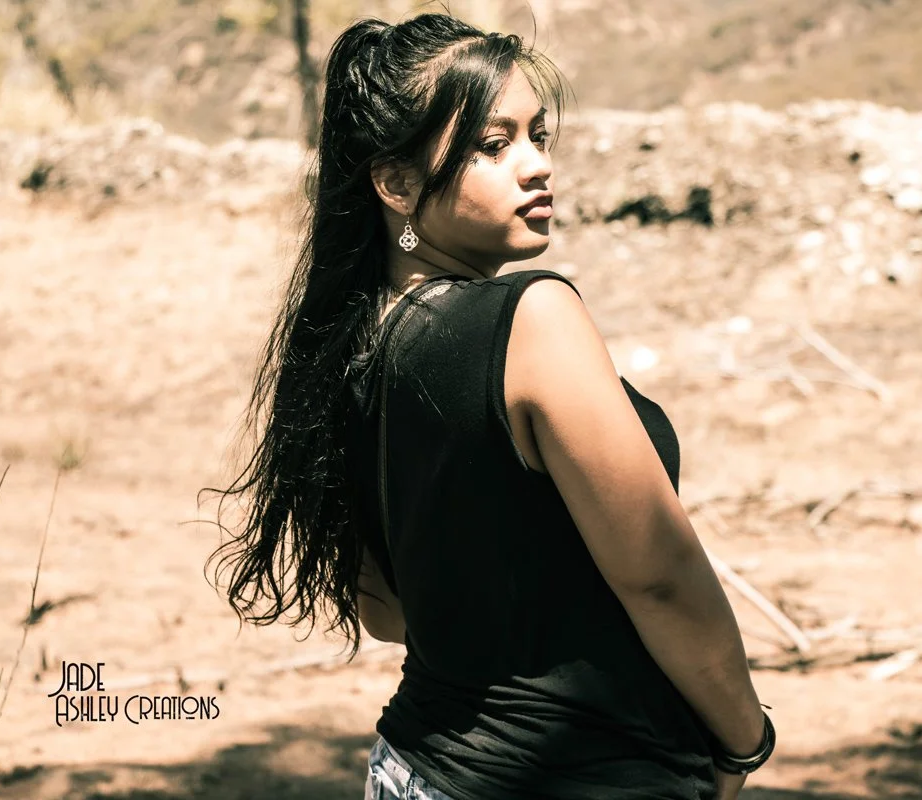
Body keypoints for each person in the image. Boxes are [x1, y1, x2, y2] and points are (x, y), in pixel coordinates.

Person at [204, 12, 774, 800]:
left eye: (538, 135)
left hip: (412, 771)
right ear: (397, 183)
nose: (537, 166)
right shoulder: (532, 321)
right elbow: (662, 577)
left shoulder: (349, 349)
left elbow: (389, 615)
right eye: (492, 145)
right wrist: (745, 739)